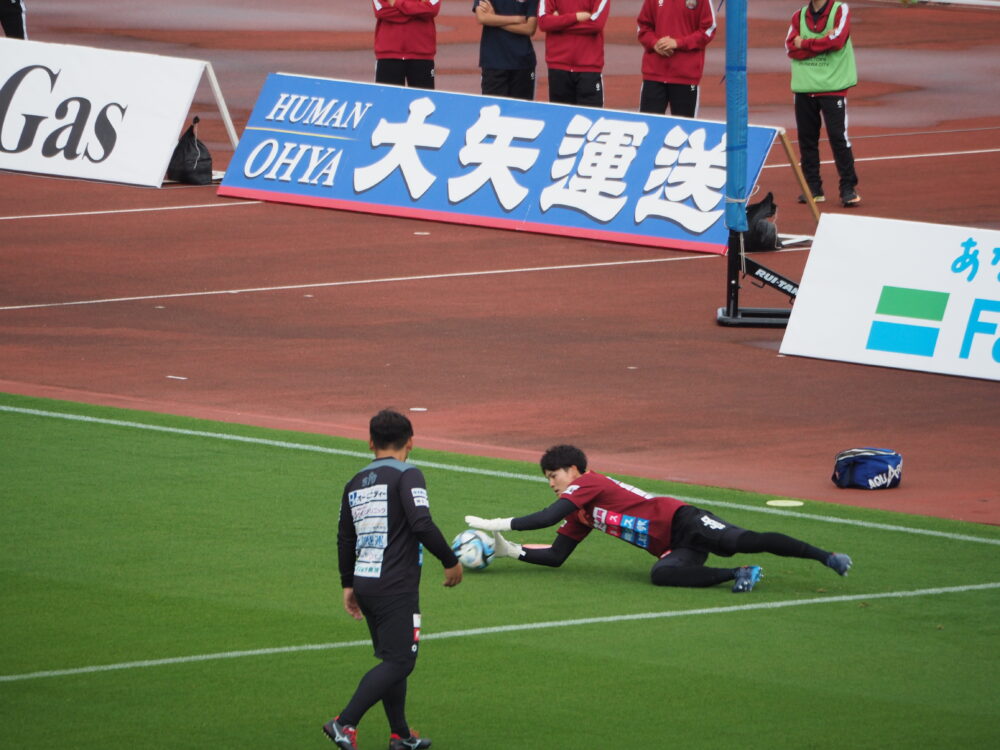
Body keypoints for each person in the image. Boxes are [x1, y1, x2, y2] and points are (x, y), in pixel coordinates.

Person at [466, 444, 852, 593]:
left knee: (742, 540)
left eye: (554, 476)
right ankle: (738, 575)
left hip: (685, 521)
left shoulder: (589, 483)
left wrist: (497, 523)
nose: (552, 484)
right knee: (662, 575)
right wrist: (509, 551)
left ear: (573, 470)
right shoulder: (581, 511)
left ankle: (827, 557)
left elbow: (548, 518)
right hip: (673, 546)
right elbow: (555, 556)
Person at [323, 409, 462, 750]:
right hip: (395, 585)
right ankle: (344, 723)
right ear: (411, 442)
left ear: (370, 442)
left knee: (392, 661)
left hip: (366, 581)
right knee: (401, 661)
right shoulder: (407, 474)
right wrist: (450, 560)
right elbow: (422, 524)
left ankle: (401, 736)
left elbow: (345, 538)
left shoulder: (354, 482)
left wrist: (348, 584)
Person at [786, 0, 861, 207]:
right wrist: (821, 45)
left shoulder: (840, 10)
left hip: (833, 86)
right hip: (804, 86)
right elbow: (790, 47)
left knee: (838, 137)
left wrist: (806, 44)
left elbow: (837, 41)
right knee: (806, 139)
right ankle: (813, 188)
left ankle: (848, 188)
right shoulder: (798, 16)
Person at [636, 0, 716, 118]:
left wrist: (678, 43)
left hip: (685, 77)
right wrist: (654, 43)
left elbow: (708, 30)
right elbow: (643, 27)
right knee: (648, 127)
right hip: (654, 76)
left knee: (685, 129)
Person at [537, 0, 610, 107]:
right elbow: (543, 22)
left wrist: (558, 22)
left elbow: (596, 24)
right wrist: (576, 17)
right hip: (559, 67)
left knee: (590, 118)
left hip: (588, 68)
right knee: (561, 119)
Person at [473, 0, 539, 100]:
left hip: (523, 64)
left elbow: (529, 28)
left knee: (521, 112)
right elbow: (482, 18)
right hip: (493, 63)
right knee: (494, 111)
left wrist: (494, 19)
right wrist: (516, 19)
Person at [372, 0, 441, 89]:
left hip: (421, 54)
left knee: (423, 100)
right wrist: (416, 10)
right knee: (388, 100)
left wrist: (396, 3)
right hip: (388, 55)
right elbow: (381, 11)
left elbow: (431, 9)